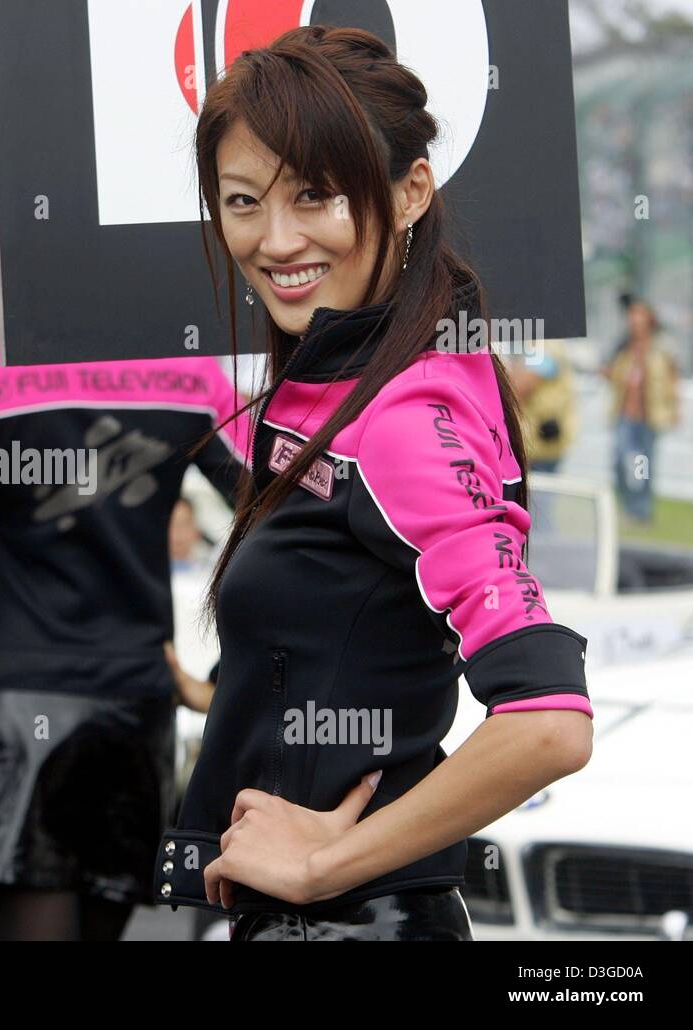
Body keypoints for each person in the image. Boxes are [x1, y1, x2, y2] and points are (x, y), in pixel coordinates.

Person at [157, 26, 594, 941]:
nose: (276, 240)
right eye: (244, 201)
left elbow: (550, 720)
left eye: (315, 195)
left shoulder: (398, 418)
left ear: (410, 192)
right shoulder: (346, 380)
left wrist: (324, 864)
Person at [0, 335, 251, 941]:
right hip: (133, 708)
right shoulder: (187, 370)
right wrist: (226, 679)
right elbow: (288, 508)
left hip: (22, 710)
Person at [604, 298, 680, 524]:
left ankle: (641, 509)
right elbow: (611, 372)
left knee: (643, 465)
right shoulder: (624, 346)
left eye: (640, 316)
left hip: (648, 416)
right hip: (624, 414)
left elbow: (671, 377)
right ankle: (625, 504)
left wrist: (675, 408)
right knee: (619, 459)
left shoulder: (661, 347)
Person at [511, 339, 576, 475]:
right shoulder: (539, 346)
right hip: (538, 439)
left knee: (540, 491)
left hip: (540, 440)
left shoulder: (546, 347)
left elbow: (521, 386)